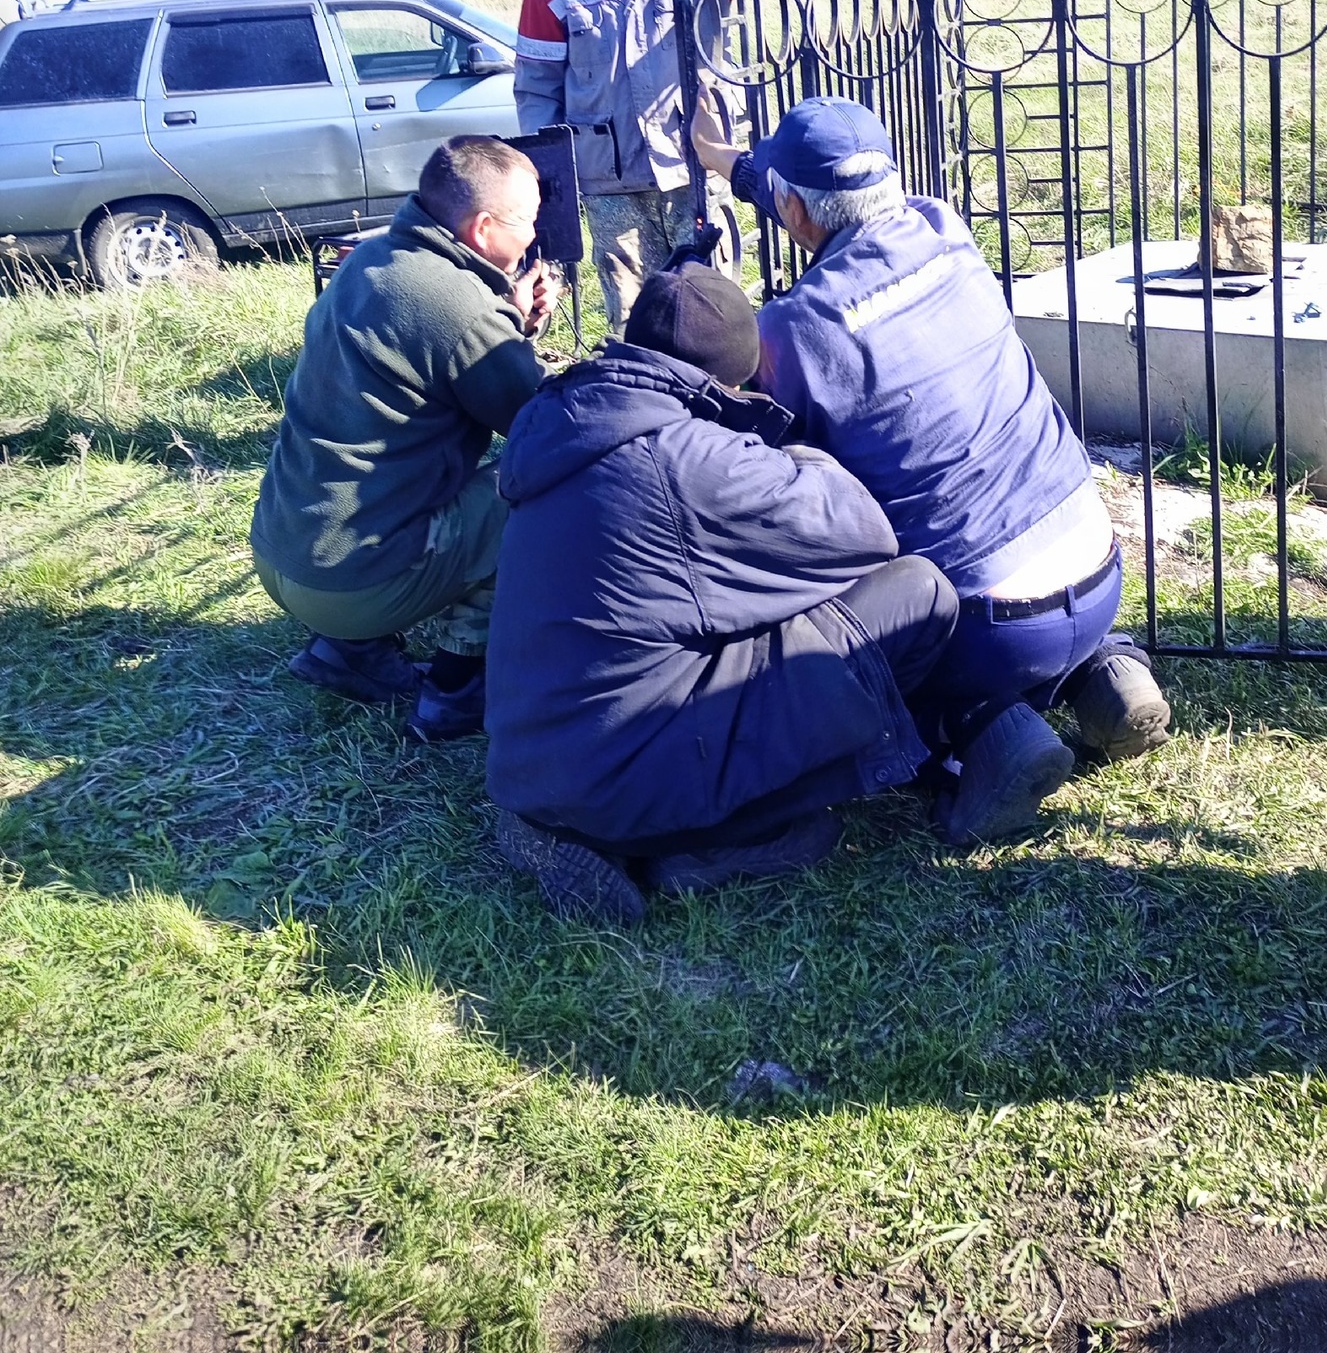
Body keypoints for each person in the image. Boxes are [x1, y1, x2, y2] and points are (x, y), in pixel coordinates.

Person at [484, 264, 1018, 924]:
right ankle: (716, 835)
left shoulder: (571, 415)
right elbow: (864, 532)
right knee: (918, 593)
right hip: (620, 773)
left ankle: (563, 815)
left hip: (538, 750)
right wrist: (797, 450)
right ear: (730, 375)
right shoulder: (689, 460)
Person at [691, 94, 1172, 821]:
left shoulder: (792, 332)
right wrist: (727, 162)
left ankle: (976, 732)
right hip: (1099, 571)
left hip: (988, 629)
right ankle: (1105, 670)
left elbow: (768, 472)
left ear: (793, 215)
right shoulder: (942, 227)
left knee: (858, 649)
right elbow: (812, 195)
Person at [251, 135, 561, 744]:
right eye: (526, 221)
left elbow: (430, 350)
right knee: (536, 488)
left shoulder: (368, 262)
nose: (533, 234)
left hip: (283, 553)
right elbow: (541, 423)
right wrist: (507, 334)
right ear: (482, 229)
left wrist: (509, 321)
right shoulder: (461, 307)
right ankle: (457, 690)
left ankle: (347, 652)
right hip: (351, 583)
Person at [514, 0, 852, 334]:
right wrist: (552, 189)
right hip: (612, 187)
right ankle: (645, 408)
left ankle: (722, 406)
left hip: (695, 166)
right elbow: (538, 92)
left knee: (714, 315)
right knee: (632, 322)